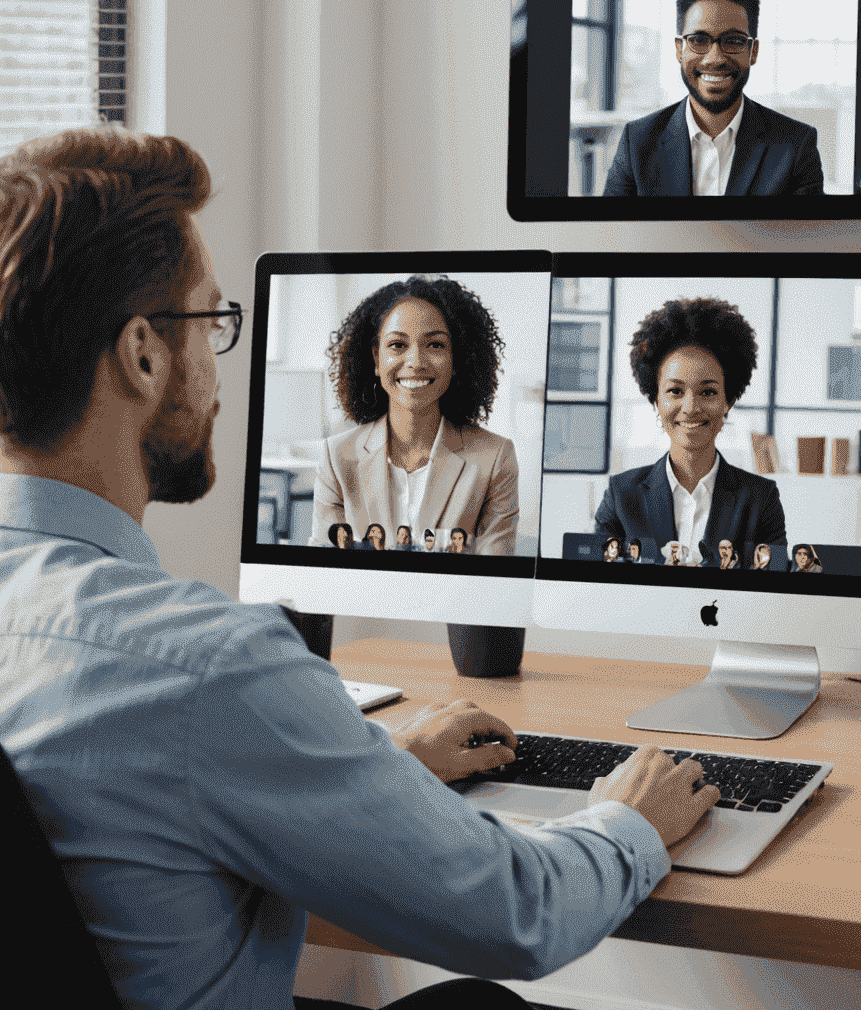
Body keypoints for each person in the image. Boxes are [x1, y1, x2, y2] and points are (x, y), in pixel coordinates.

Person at [0, 127, 717, 1010]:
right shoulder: (206, 667)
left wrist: (377, 761)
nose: (218, 370)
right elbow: (514, 915)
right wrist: (631, 822)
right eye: (212, 321)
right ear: (144, 354)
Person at [309, 276, 520, 555]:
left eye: (435, 345)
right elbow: (324, 571)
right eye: (398, 345)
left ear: (457, 360)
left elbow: (495, 580)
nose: (416, 361)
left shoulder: (495, 458)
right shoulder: (337, 457)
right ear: (375, 359)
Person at [594, 297, 787, 560]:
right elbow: (602, 590)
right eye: (675, 391)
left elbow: (771, 594)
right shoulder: (621, 495)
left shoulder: (760, 500)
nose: (690, 407)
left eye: (708, 391)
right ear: (656, 400)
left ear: (728, 401)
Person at [602, 0, 824, 197]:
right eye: (698, 40)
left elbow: (808, 233)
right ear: (680, 50)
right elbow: (609, 231)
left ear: (753, 52)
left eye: (734, 41)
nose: (715, 58)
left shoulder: (795, 145)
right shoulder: (637, 142)